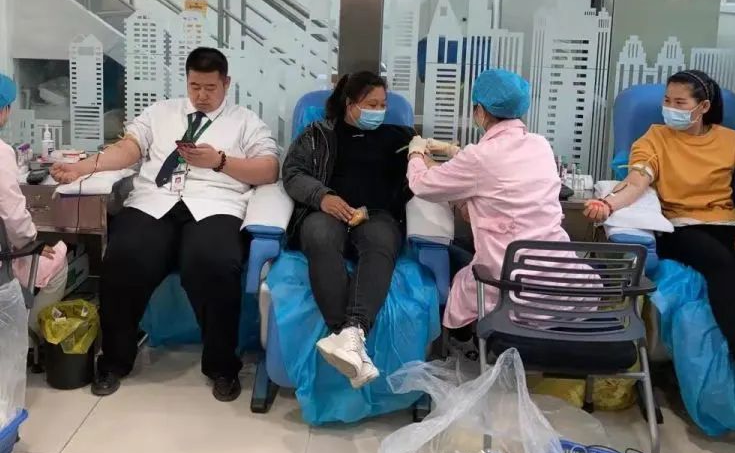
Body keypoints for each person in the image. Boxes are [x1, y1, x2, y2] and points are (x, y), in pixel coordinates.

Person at [51, 48, 280, 401]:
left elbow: (269, 169)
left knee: (214, 264)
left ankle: (222, 366)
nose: (201, 95)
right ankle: (114, 361)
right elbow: (128, 149)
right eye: (194, 86)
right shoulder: (161, 113)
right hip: (155, 201)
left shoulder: (245, 121)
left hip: (215, 204)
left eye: (210, 88)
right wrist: (84, 167)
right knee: (123, 258)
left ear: (226, 83)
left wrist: (219, 162)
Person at [584, 69, 735, 402]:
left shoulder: (733, 142)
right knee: (721, 264)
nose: (669, 108)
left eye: (679, 102)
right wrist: (608, 204)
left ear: (703, 107)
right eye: (667, 100)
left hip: (732, 225)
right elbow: (635, 182)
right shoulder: (654, 138)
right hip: (681, 228)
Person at [407, 68, 574, 331]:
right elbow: (499, 174)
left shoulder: (479, 156)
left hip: (508, 283)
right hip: (558, 279)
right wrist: (454, 151)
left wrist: (416, 154)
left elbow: (421, 184)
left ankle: (464, 340)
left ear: (480, 111)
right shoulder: (539, 145)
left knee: (453, 256)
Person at [282, 71, 414, 389]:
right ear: (349, 103)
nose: (378, 111)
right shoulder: (318, 134)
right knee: (319, 236)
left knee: (381, 242)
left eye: (382, 105)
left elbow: (423, 175)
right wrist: (322, 197)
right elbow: (292, 172)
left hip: (377, 216)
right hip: (327, 212)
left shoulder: (401, 138)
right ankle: (346, 335)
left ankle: (351, 334)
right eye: (371, 104)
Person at [0, 74, 68, 335]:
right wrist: (32, 241)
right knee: (57, 261)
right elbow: (13, 216)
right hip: (4, 260)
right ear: (4, 111)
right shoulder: (2, 153)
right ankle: (28, 335)